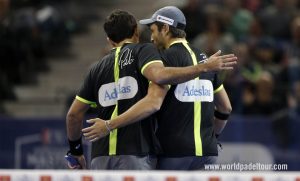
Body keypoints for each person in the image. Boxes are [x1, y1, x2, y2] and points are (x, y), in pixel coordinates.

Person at [67, 9, 237, 170]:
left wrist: (83, 145)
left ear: (165, 28)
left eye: (154, 30)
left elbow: (154, 98)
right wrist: (212, 138)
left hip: (169, 152)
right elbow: (226, 108)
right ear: (135, 33)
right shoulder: (205, 59)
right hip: (205, 152)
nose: (152, 38)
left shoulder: (161, 58)